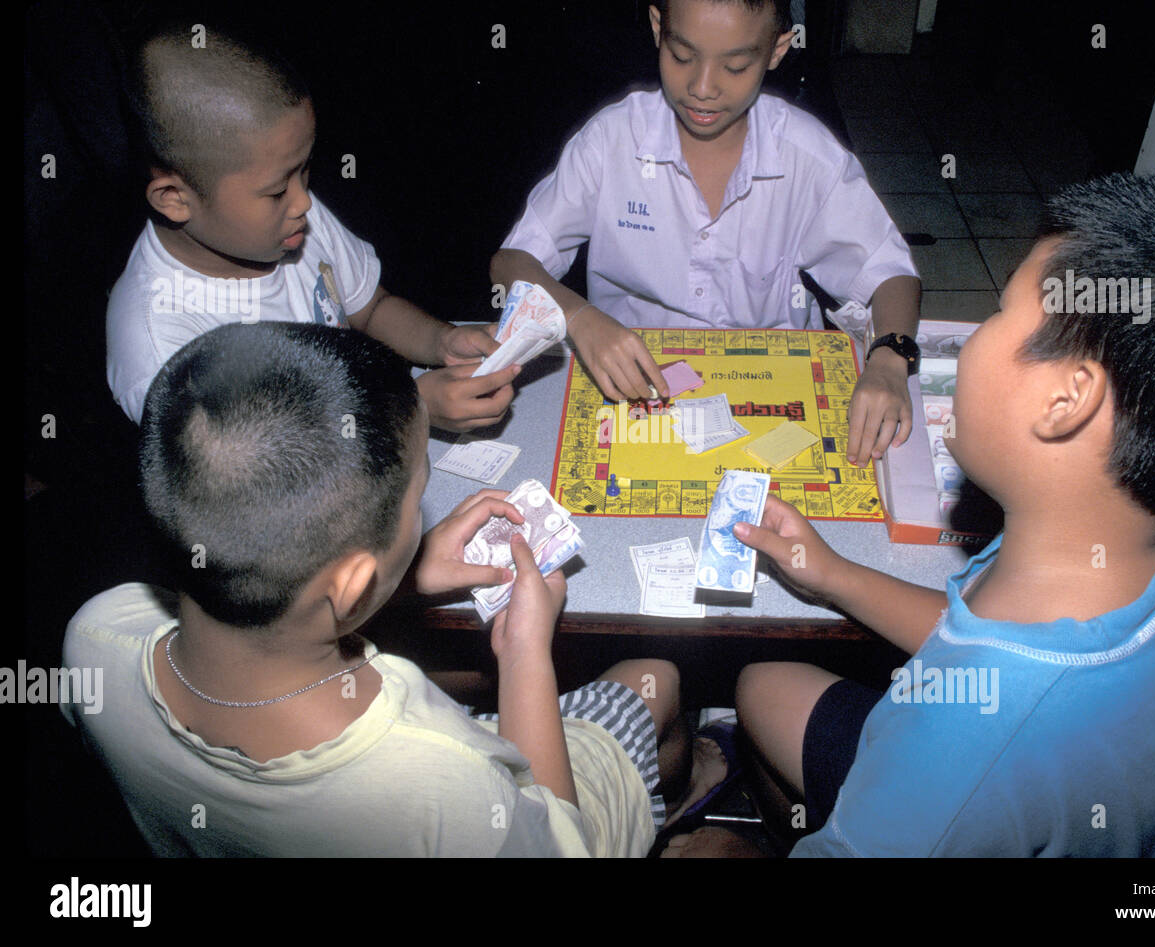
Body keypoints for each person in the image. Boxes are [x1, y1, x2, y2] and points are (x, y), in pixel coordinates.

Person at [728, 173, 1155, 856]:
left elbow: (979, 714)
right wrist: (833, 574)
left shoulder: (953, 754)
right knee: (763, 686)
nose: (974, 336)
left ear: (1067, 400)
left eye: (998, 314)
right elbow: (975, 647)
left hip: (939, 785)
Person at [63, 321, 726, 856]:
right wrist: (526, 653)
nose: (425, 510)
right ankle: (689, 790)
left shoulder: (93, 634)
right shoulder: (437, 772)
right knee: (655, 677)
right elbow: (559, 842)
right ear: (350, 584)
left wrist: (401, 578)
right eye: (419, 498)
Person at [491, 0, 922, 465]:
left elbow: (890, 273)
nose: (701, 88)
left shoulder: (806, 154)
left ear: (778, 51)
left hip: (773, 386)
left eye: (735, 66)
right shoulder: (611, 140)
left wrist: (889, 359)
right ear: (658, 28)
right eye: (682, 57)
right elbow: (511, 263)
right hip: (636, 379)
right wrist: (578, 318)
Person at [107, 23, 517, 435]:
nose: (304, 201)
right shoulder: (161, 346)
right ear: (175, 199)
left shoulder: (288, 218)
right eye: (276, 190)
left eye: (304, 171)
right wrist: (410, 409)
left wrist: (440, 342)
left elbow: (370, 308)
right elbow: (262, 475)